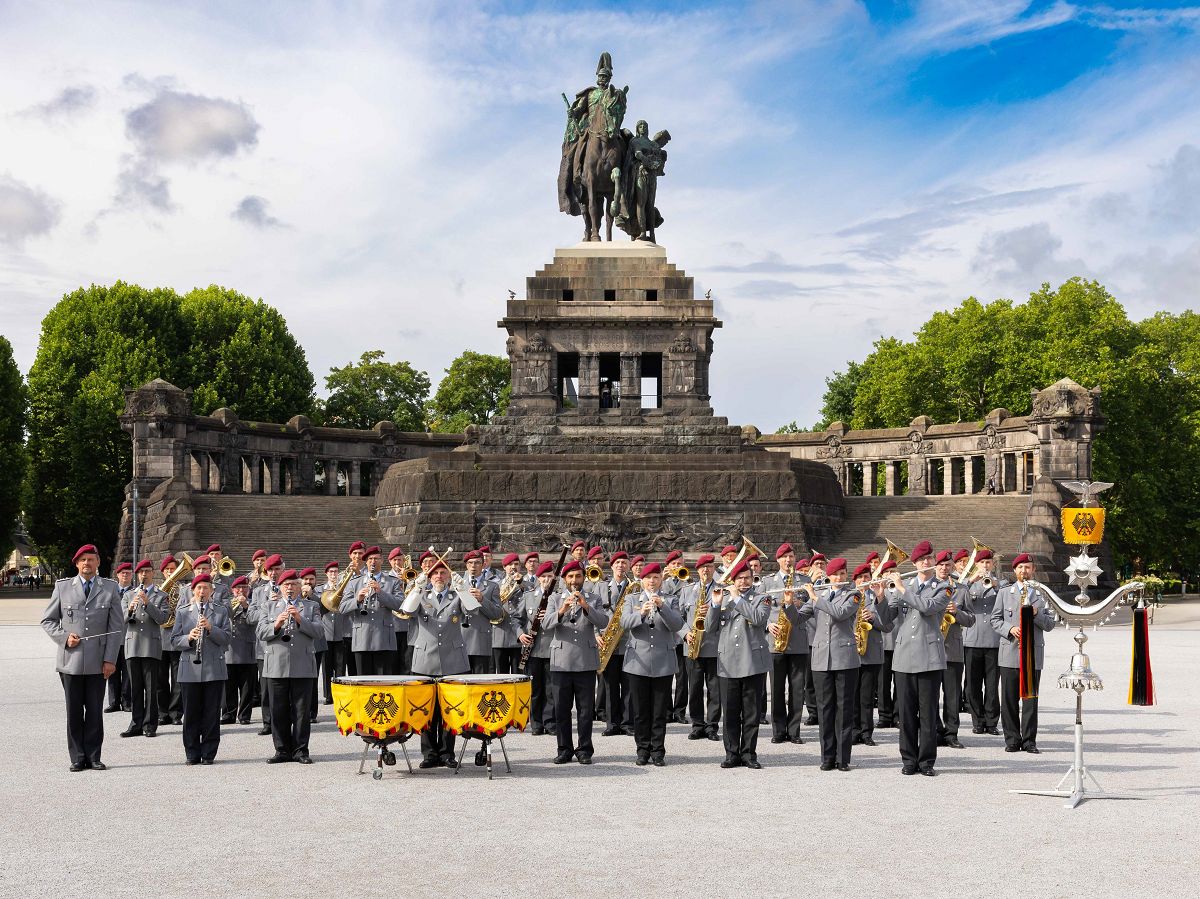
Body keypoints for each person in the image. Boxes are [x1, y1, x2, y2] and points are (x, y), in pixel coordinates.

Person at [41, 544, 123, 771]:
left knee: (95, 711)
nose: (87, 563)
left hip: (99, 662)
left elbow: (116, 628)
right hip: (71, 662)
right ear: (77, 563)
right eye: (83, 560)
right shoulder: (63, 587)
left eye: (92, 559)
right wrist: (65, 637)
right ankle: (77, 756)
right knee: (74, 710)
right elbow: (47, 621)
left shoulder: (109, 588)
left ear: (98, 563)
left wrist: (110, 660)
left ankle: (94, 756)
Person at [886, 540, 951, 776]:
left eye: (929, 559)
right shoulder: (904, 585)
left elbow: (928, 607)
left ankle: (926, 762)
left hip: (929, 657)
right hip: (903, 658)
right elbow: (885, 621)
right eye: (921, 560)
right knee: (905, 712)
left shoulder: (943, 587)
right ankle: (908, 760)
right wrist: (880, 596)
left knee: (927, 712)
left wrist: (902, 589)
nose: (926, 562)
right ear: (914, 563)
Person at [406, 558, 474, 768]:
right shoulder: (422, 595)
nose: (439, 577)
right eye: (435, 573)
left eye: (443, 573)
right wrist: (417, 588)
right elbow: (407, 611)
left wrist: (463, 590)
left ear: (448, 576)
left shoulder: (456, 596)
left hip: (452, 660)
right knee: (425, 710)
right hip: (425, 660)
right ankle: (429, 754)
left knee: (450, 710)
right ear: (429, 576)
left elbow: (472, 611)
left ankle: (447, 753)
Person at [541, 560, 609, 764]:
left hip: (585, 661)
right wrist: (562, 609)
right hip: (561, 660)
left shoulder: (594, 598)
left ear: (583, 578)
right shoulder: (554, 598)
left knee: (585, 709)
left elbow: (603, 622)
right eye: (570, 577)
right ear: (564, 580)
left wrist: (585, 606)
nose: (574, 580)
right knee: (561, 708)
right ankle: (564, 749)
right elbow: (545, 625)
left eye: (578, 576)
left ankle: (585, 749)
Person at [706, 558, 770, 769]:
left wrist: (737, 599)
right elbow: (709, 628)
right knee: (731, 711)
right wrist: (715, 605)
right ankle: (732, 753)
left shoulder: (761, 598)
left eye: (747, 578)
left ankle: (749, 754)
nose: (744, 582)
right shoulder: (722, 598)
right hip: (728, 662)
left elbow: (759, 619)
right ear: (733, 580)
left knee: (751, 712)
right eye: (740, 579)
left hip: (752, 662)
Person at [991, 553, 1057, 753]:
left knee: (1030, 701)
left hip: (1032, 655)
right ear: (1014, 571)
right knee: (1009, 700)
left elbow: (1050, 624)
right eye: (1020, 568)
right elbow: (995, 620)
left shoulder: (1042, 595)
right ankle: (1012, 740)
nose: (1024, 571)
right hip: (1010, 653)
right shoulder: (1004, 592)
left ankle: (1029, 741)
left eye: (1027, 567)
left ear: (1033, 570)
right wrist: (1010, 629)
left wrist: (1036, 614)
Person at [620, 561, 684, 766]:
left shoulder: (671, 600)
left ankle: (658, 751)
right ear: (642, 580)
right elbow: (624, 623)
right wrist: (641, 613)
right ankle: (642, 750)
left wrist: (662, 607)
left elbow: (677, 624)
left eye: (656, 577)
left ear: (661, 580)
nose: (652, 581)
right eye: (648, 578)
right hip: (638, 662)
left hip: (663, 661)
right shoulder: (631, 599)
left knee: (659, 710)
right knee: (640, 710)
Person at [807, 558, 865, 771]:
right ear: (829, 576)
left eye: (843, 574)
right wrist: (788, 603)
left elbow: (840, 614)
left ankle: (843, 758)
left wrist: (814, 597)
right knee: (825, 709)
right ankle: (827, 757)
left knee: (844, 709)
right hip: (821, 659)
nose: (840, 578)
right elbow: (798, 618)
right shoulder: (820, 595)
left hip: (845, 659)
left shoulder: (854, 594)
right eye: (836, 574)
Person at [258, 568, 320, 764]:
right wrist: (276, 624)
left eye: (293, 584)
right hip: (276, 665)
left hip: (302, 664)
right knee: (278, 710)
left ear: (300, 586)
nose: (290, 588)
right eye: (286, 585)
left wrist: (300, 619)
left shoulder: (310, 607)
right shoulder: (269, 606)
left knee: (301, 711)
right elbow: (260, 632)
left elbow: (319, 632)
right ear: (281, 588)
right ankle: (282, 750)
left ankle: (301, 750)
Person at [170, 573, 230, 765]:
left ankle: (209, 752)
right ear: (192, 591)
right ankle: (192, 752)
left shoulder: (220, 611)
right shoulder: (182, 611)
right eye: (199, 588)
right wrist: (189, 637)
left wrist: (211, 629)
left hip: (214, 667)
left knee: (211, 712)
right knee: (191, 712)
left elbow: (227, 639)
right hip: (189, 669)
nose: (202, 592)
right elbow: (174, 641)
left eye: (206, 588)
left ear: (212, 591)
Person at [763, 542, 812, 745]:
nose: (788, 560)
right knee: (776, 689)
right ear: (778, 560)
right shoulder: (767, 582)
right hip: (776, 641)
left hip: (798, 641)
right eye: (784, 557)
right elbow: (760, 610)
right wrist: (768, 625)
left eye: (791, 556)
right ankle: (778, 730)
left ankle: (794, 731)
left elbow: (810, 608)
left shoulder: (805, 580)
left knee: (797, 689)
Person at [121, 559, 170, 738]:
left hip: (151, 645)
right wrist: (131, 608)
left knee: (151, 688)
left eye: (147, 571)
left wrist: (148, 603)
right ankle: (135, 724)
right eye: (141, 572)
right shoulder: (128, 595)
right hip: (132, 644)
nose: (144, 574)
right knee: (135, 687)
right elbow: (121, 619)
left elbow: (163, 619)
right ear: (137, 574)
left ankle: (150, 725)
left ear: (152, 573)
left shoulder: (161, 595)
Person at [340, 546, 403, 675]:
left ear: (382, 560)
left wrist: (381, 592)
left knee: (383, 681)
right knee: (363, 681)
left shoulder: (393, 582)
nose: (373, 562)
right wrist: (357, 599)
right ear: (366, 561)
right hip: (362, 638)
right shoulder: (354, 583)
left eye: (376, 559)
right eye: (370, 559)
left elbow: (400, 605)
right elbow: (342, 608)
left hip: (384, 638)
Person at [934, 551, 975, 750]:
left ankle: (951, 734)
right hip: (930, 649)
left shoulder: (961, 589)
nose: (944, 568)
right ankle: (934, 731)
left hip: (953, 651)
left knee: (952, 695)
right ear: (935, 567)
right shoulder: (928, 589)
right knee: (930, 695)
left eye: (947, 565)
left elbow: (971, 619)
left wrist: (956, 612)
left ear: (952, 567)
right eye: (940, 565)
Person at [679, 553, 721, 742]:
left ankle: (712, 726)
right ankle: (697, 724)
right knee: (694, 688)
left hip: (714, 646)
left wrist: (713, 607)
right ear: (698, 570)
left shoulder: (722, 590)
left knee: (715, 690)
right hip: (692, 647)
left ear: (714, 569)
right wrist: (685, 633)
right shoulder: (687, 591)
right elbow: (678, 618)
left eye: (710, 567)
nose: (706, 570)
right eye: (703, 567)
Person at [851, 562, 893, 747]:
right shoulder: (848, 597)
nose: (863, 580)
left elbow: (888, 625)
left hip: (872, 652)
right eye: (860, 578)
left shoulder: (880, 597)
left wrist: (874, 618)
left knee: (867, 697)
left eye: (866, 577)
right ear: (854, 581)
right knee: (851, 696)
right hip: (851, 652)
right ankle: (853, 730)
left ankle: (866, 732)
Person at [963, 550, 1003, 735]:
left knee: (993, 684)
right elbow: (954, 593)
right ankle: (977, 720)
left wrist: (995, 584)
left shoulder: (1001, 584)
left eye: (988, 563)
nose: (985, 566)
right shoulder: (967, 584)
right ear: (976, 565)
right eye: (982, 563)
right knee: (973, 684)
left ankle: (992, 722)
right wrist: (971, 580)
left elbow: (1009, 595)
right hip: (972, 638)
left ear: (993, 565)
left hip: (994, 640)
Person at [518, 561, 558, 736]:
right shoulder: (528, 596)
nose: (547, 579)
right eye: (544, 576)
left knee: (550, 689)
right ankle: (536, 723)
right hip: (532, 649)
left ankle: (550, 722)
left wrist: (552, 616)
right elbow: (516, 619)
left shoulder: (557, 597)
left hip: (552, 647)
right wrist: (520, 634)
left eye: (550, 576)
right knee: (535, 689)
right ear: (539, 578)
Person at [596, 550, 633, 737]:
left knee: (628, 685)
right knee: (610, 685)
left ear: (628, 566)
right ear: (611, 566)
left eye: (624, 563)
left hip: (628, 642)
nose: (621, 566)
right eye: (617, 563)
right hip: (607, 642)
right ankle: (612, 723)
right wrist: (596, 634)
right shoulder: (601, 587)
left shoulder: (635, 587)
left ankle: (627, 723)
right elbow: (593, 613)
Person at [221, 575, 257, 725]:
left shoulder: (253, 605)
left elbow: (254, 620)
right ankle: (228, 714)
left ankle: (244, 715)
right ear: (232, 590)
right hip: (229, 650)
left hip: (247, 650)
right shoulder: (225, 604)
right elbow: (222, 618)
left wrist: (246, 606)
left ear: (249, 590)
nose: (241, 591)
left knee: (247, 687)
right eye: (238, 588)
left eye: (244, 588)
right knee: (228, 687)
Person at [461, 550, 502, 674]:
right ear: (466, 565)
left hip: (480, 640)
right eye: (470, 563)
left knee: (481, 682)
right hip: (460, 639)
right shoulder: (457, 585)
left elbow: (497, 614)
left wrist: (482, 599)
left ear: (483, 565)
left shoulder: (492, 586)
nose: (473, 566)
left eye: (477, 563)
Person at [318, 561, 351, 700]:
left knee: (340, 667)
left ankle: (340, 694)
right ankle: (328, 695)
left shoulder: (345, 588)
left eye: (335, 572)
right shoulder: (320, 590)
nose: (333, 574)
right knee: (326, 668)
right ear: (326, 574)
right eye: (331, 572)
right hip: (325, 633)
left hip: (341, 632)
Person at [105, 562, 133, 713]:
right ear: (117, 575)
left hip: (129, 637)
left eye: (128, 573)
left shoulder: (136, 592)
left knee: (128, 672)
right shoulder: (109, 591)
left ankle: (127, 701)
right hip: (112, 637)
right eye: (123, 573)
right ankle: (114, 702)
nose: (125, 575)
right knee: (112, 670)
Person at [493, 553, 527, 674]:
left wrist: (521, 583)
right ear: (504, 567)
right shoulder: (496, 585)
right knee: (501, 674)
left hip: (518, 634)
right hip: (500, 632)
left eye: (516, 564)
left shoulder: (526, 584)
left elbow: (530, 596)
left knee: (518, 674)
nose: (513, 567)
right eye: (510, 565)